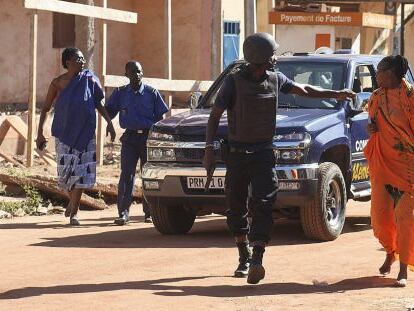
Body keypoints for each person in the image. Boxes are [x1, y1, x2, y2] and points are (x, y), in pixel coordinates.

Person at [203, 32, 355, 284]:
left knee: (264, 203)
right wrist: (209, 149)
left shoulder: (275, 78)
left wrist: (335, 93)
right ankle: (243, 254)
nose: (275, 59)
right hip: (238, 155)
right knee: (236, 206)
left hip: (263, 153)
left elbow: (303, 89)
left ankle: (257, 259)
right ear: (261, 57)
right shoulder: (232, 82)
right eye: (272, 55)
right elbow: (214, 115)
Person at [36, 47, 116, 226]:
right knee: (67, 172)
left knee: (81, 172)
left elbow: (98, 103)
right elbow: (46, 108)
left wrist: (109, 123)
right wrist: (40, 132)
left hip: (86, 133)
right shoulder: (57, 83)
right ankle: (72, 203)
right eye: (78, 59)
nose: (82, 62)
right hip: (64, 134)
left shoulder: (89, 79)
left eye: (82, 59)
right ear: (67, 62)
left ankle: (75, 209)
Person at [364, 55, 414, 288]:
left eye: (380, 71)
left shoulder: (411, 96)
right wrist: (371, 128)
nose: (376, 74)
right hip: (382, 164)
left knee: (405, 218)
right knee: (380, 218)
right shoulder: (375, 97)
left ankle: (403, 268)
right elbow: (372, 124)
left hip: (407, 166)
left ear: (393, 73)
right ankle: (390, 252)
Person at [106, 61, 169, 225]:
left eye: (139, 71)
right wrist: (109, 124)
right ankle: (123, 213)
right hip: (130, 139)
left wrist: (157, 139)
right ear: (126, 74)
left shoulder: (152, 93)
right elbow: (109, 112)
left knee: (148, 175)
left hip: (148, 138)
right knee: (127, 175)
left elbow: (160, 119)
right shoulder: (120, 93)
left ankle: (149, 212)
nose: (137, 75)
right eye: (133, 72)